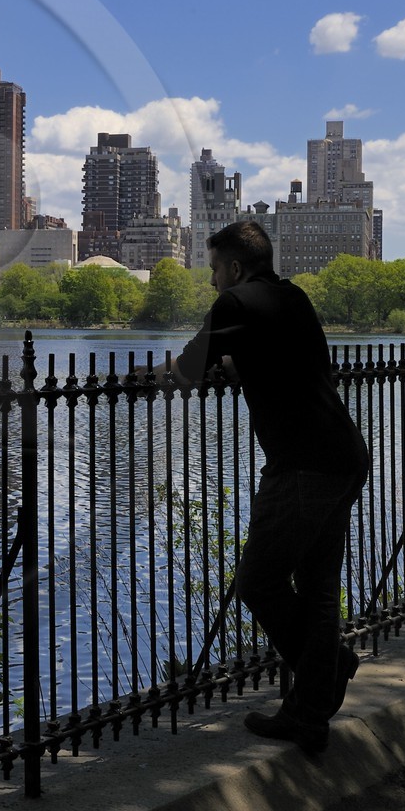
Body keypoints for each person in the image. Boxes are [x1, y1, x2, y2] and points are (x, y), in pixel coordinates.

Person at [149, 220, 368, 753]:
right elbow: (285, 360)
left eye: (214, 270)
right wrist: (236, 365)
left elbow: (188, 370)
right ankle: (309, 717)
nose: (212, 281)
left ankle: (327, 669)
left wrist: (149, 375)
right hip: (344, 455)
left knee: (259, 583)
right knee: (318, 591)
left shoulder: (234, 303)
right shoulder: (293, 298)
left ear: (235, 267)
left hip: (302, 465)